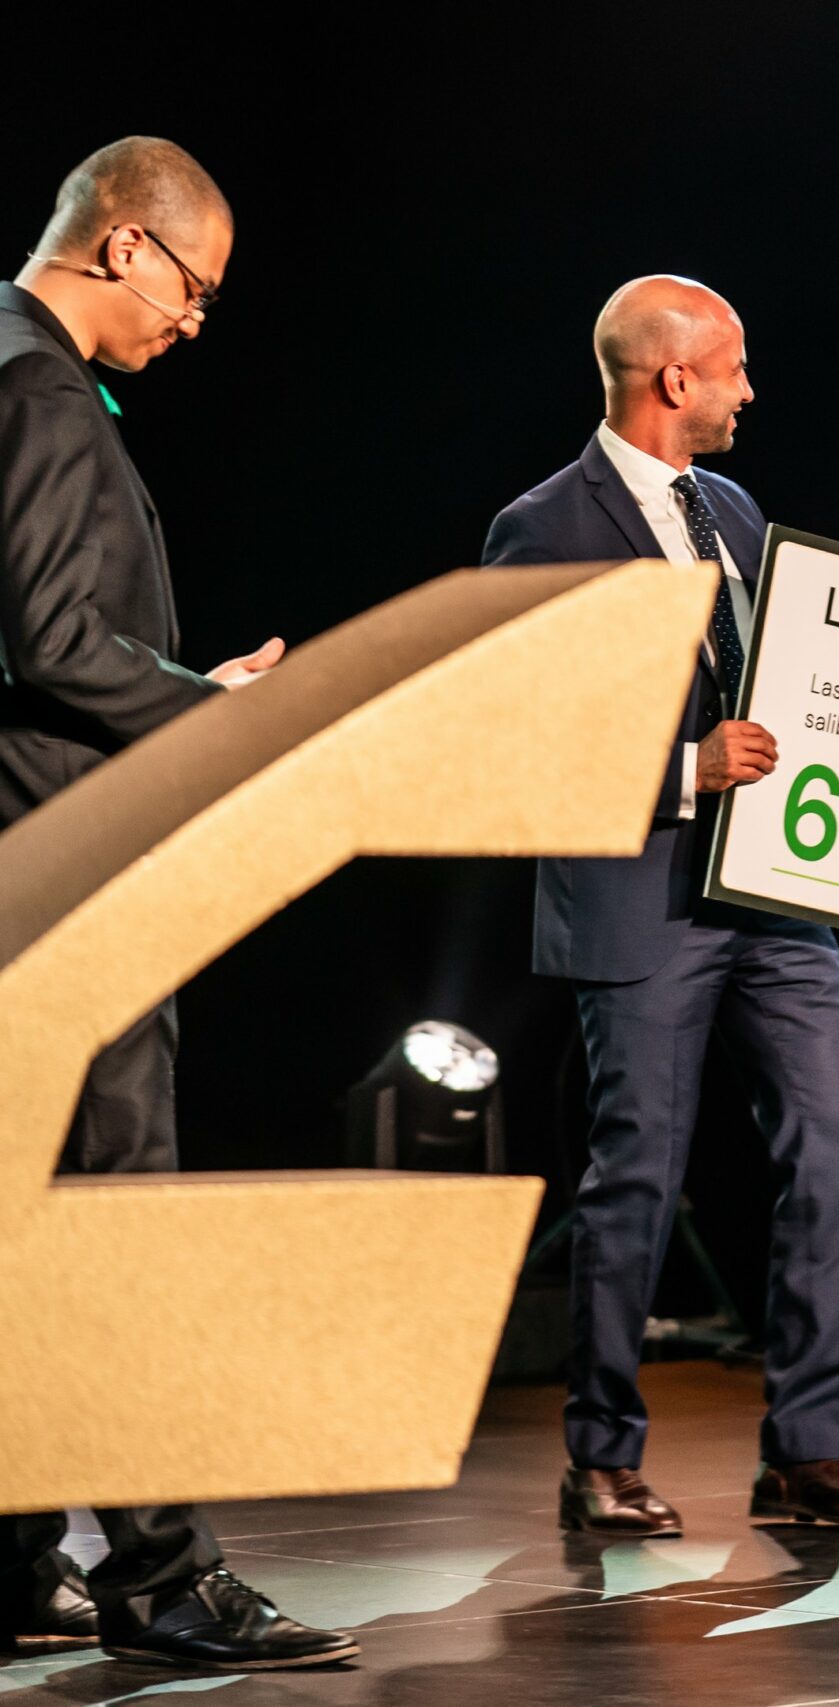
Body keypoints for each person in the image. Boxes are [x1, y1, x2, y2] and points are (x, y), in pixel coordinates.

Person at [484, 275, 839, 1537]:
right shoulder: (542, 529)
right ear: (673, 378)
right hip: (643, 896)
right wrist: (686, 770)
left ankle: (808, 1454)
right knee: (637, 1175)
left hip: (774, 891)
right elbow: (515, 742)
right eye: (733, 367)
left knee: (834, 1145)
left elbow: (798, 666)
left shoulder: (730, 510)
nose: (749, 389)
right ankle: (601, 1458)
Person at [0, 138, 355, 1669]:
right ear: (125, 244)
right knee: (119, 1221)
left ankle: (17, 1560)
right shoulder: (36, 387)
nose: (195, 322)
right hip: (67, 872)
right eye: (193, 288)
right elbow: (53, 642)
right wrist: (214, 711)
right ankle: (162, 1577)